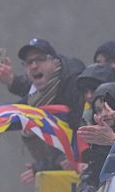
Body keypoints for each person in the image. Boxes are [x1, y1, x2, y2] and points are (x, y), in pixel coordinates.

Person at [9, 38, 84, 182]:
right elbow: (12, 115)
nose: (34, 66)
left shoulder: (73, 85)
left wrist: (78, 156)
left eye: (40, 59)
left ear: (55, 63)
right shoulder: (36, 96)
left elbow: (82, 130)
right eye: (29, 63)